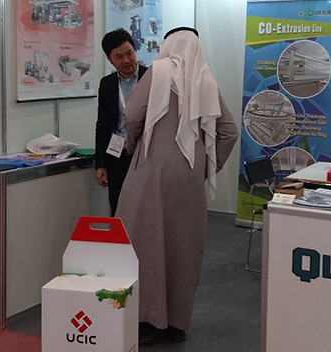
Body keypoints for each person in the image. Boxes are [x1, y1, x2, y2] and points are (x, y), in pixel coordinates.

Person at [116, 27, 239, 344]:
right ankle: (176, 324)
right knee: (184, 247)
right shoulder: (205, 80)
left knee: (144, 242)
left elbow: (132, 116)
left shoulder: (157, 72)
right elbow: (229, 131)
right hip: (189, 178)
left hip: (151, 171)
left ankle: (148, 320)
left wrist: (133, 146)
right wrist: (207, 167)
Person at [95, 28, 148, 217]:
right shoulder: (107, 84)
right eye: (119, 57)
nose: (126, 60)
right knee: (118, 208)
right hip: (117, 156)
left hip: (145, 156)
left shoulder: (151, 78)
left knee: (144, 210)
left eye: (129, 53)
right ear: (109, 59)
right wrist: (100, 164)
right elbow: (103, 125)